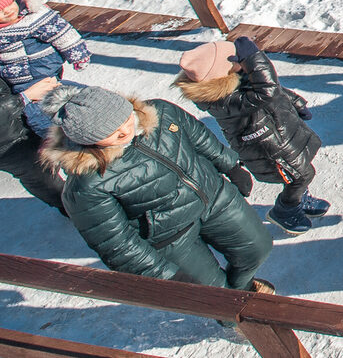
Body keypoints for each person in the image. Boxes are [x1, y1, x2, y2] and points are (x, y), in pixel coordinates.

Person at [40, 84, 275, 292]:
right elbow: (117, 244)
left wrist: (231, 165)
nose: (124, 131)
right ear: (87, 140)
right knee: (212, 296)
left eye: (124, 119)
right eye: (108, 133)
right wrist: (164, 274)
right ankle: (241, 321)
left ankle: (243, 290)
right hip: (171, 237)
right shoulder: (86, 185)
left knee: (257, 249)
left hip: (214, 197)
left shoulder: (161, 112)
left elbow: (199, 137)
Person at [173, 36, 326, 235]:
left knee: (299, 170)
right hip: (267, 149)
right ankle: (286, 209)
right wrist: (255, 57)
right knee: (301, 175)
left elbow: (274, 90)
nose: (242, 61)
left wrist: (294, 102)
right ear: (222, 72)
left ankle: (299, 197)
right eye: (237, 59)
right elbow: (267, 90)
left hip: (278, 134)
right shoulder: (224, 101)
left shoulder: (239, 81)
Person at [0, 0, 92, 134]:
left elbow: (62, 33)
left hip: (44, 71)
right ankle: (52, 136)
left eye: (10, 3)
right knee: (38, 110)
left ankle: (101, 115)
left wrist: (78, 55)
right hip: (20, 83)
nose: (8, 10)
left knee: (69, 94)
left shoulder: (35, 16)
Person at [0, 81, 61, 211]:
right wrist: (23, 98)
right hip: (9, 145)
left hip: (19, 127)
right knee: (44, 179)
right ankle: (76, 210)